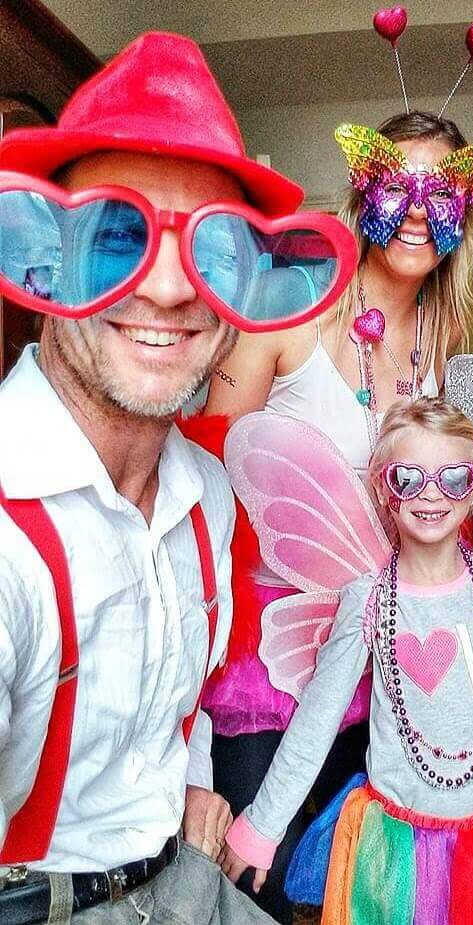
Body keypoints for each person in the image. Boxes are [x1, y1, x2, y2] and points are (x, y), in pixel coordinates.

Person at [0, 30, 355, 925]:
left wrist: (187, 785)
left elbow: (177, 702)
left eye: (213, 247)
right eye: (117, 235)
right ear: (44, 262)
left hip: (179, 874)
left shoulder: (210, 494)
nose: (165, 287)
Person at [192, 108, 473, 921]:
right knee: (255, 876)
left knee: (352, 883)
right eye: (395, 184)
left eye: (439, 193)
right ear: (360, 187)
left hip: (383, 655)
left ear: (463, 213)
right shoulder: (289, 305)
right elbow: (202, 489)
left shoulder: (446, 330)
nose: (413, 209)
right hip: (270, 654)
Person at [219, 397, 473, 924]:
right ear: (382, 490)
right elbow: (316, 721)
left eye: (453, 478)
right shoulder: (369, 598)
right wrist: (263, 826)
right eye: (408, 478)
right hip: (396, 851)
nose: (432, 495)